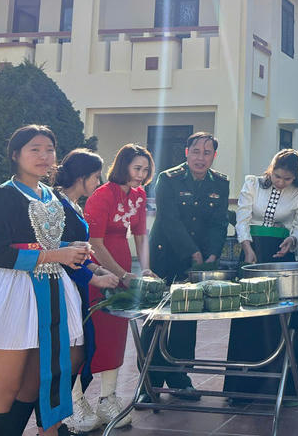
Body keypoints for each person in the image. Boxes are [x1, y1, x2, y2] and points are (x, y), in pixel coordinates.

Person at [0, 125, 89, 436]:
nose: (44, 156)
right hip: (15, 294)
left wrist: (71, 249)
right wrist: (58, 256)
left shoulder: (52, 195)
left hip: (53, 290)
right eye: (35, 149)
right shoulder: (4, 195)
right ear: (16, 154)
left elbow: (50, 245)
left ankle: (47, 428)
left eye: (49, 149)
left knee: (37, 381)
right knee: (7, 386)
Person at [142, 132, 229, 400]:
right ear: (186, 152)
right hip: (165, 255)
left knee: (186, 318)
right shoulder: (168, 179)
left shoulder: (221, 183)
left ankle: (179, 378)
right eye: (196, 151)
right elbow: (169, 221)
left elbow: (218, 221)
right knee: (156, 318)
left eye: (207, 152)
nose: (200, 158)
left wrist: (213, 253)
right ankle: (150, 383)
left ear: (213, 156)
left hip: (199, 260)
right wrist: (193, 252)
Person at [225, 149, 298, 398]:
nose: (280, 182)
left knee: (281, 317)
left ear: (295, 177)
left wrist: (292, 241)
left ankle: (284, 390)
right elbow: (242, 218)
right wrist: (246, 246)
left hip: (280, 255)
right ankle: (241, 389)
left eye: (287, 179)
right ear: (271, 169)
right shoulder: (252, 183)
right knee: (248, 316)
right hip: (251, 250)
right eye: (277, 176)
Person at [84, 143, 154, 427]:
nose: (141, 175)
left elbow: (140, 236)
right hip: (99, 266)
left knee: (117, 332)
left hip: (123, 262)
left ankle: (108, 398)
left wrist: (145, 267)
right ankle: (78, 401)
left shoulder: (139, 194)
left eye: (146, 169)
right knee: (95, 332)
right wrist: (122, 274)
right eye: (137, 168)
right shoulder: (102, 195)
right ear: (123, 166)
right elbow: (95, 243)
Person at [55, 149, 120, 434]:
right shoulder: (58, 205)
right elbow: (62, 252)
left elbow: (80, 252)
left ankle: (70, 407)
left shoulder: (73, 204)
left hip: (75, 283)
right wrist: (92, 278)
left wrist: (95, 269)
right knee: (70, 351)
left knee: (81, 348)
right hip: (62, 284)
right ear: (81, 177)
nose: (99, 181)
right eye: (95, 176)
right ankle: (67, 410)